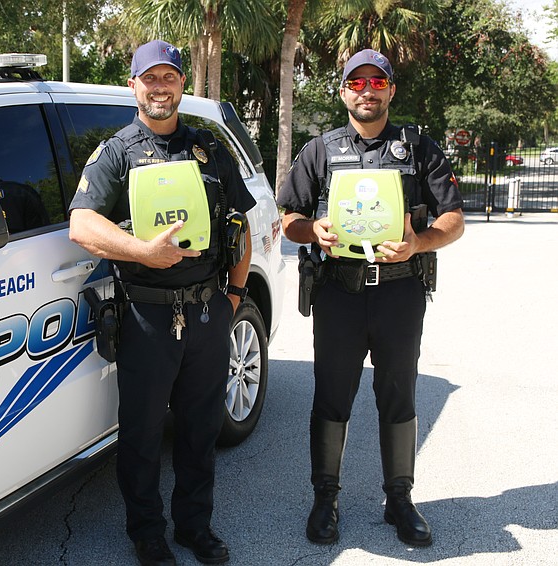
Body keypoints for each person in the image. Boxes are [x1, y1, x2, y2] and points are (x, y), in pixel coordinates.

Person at [68, 40, 255, 566]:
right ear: (134, 85)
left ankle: (196, 527)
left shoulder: (209, 149)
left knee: (201, 430)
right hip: (147, 314)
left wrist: (234, 296)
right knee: (143, 432)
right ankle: (147, 533)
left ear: (181, 84)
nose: (160, 87)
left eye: (168, 77)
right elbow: (82, 223)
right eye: (149, 78)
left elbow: (239, 225)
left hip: (206, 310)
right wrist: (141, 253)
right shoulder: (116, 151)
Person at [277, 49, 465, 547]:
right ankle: (325, 499)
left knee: (398, 394)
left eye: (376, 83)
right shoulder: (319, 151)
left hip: (400, 292)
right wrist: (312, 230)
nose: (366, 91)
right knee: (332, 394)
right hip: (339, 293)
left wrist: (419, 242)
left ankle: (399, 501)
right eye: (356, 84)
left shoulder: (419, 148)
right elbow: (288, 217)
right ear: (343, 92)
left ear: (390, 91)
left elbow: (453, 219)